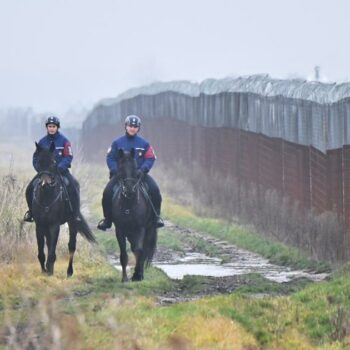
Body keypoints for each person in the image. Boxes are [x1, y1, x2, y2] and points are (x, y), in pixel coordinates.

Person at [97, 114, 164, 231]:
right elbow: (110, 158)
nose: (132, 128)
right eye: (130, 126)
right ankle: (107, 220)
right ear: (125, 127)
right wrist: (115, 170)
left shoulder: (144, 144)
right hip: (120, 177)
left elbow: (150, 158)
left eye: (135, 126)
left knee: (155, 190)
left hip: (139, 176)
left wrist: (143, 170)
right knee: (107, 193)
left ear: (138, 128)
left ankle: (156, 217)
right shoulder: (117, 143)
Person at [23, 116, 80, 222]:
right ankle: (31, 212)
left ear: (57, 127)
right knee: (30, 188)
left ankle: (75, 214)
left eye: (54, 126)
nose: (51, 128)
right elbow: (35, 158)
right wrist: (39, 169)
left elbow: (68, 157)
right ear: (47, 128)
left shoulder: (64, 141)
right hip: (44, 172)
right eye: (49, 126)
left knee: (74, 186)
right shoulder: (41, 142)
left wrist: (60, 167)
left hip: (61, 172)